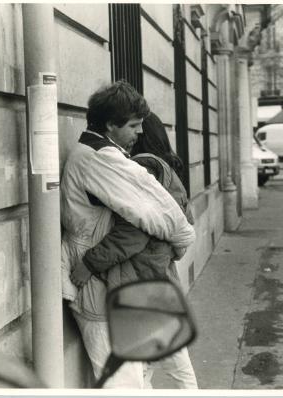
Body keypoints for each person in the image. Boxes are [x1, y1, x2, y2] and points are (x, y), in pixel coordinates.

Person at [60, 81, 195, 388]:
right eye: (133, 125)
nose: (139, 132)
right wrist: (184, 237)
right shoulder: (100, 157)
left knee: (132, 377)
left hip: (102, 276)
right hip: (96, 280)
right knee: (124, 382)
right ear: (110, 124)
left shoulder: (97, 152)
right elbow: (152, 210)